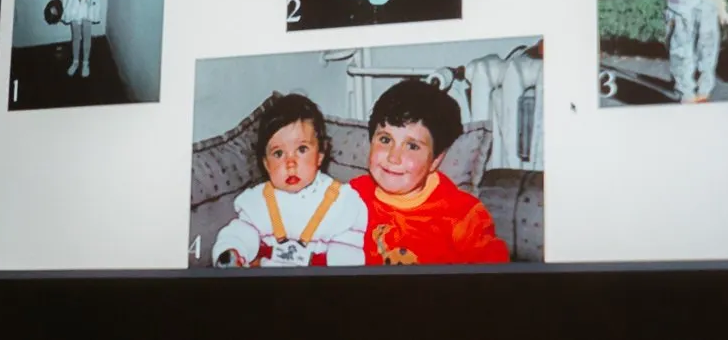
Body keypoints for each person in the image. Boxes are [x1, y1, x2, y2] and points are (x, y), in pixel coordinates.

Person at [350, 79, 509, 265]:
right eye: (385, 140)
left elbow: (494, 271)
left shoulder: (463, 216)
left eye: (412, 146)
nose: (393, 157)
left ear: (436, 160)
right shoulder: (349, 197)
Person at [212, 93, 367, 268]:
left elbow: (349, 254)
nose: (290, 163)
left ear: (320, 154)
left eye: (302, 149)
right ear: (266, 163)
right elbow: (238, 234)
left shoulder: (342, 202)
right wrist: (232, 252)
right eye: (278, 153)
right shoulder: (258, 201)